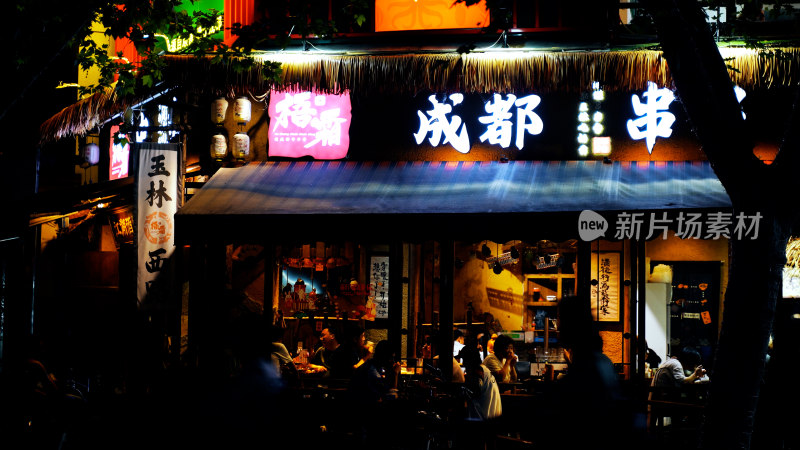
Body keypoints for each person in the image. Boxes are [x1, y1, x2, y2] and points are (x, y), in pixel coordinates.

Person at [347, 340, 402, 448]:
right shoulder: (372, 372)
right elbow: (390, 394)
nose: (392, 361)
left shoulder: (371, 366)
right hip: (366, 414)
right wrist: (395, 374)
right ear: (385, 356)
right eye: (391, 357)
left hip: (361, 411)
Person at [459, 336, 502, 450]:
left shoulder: (477, 371)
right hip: (493, 416)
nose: (463, 363)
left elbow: (475, 391)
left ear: (469, 360)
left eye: (464, 359)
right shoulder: (484, 369)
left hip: (484, 418)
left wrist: (461, 390)